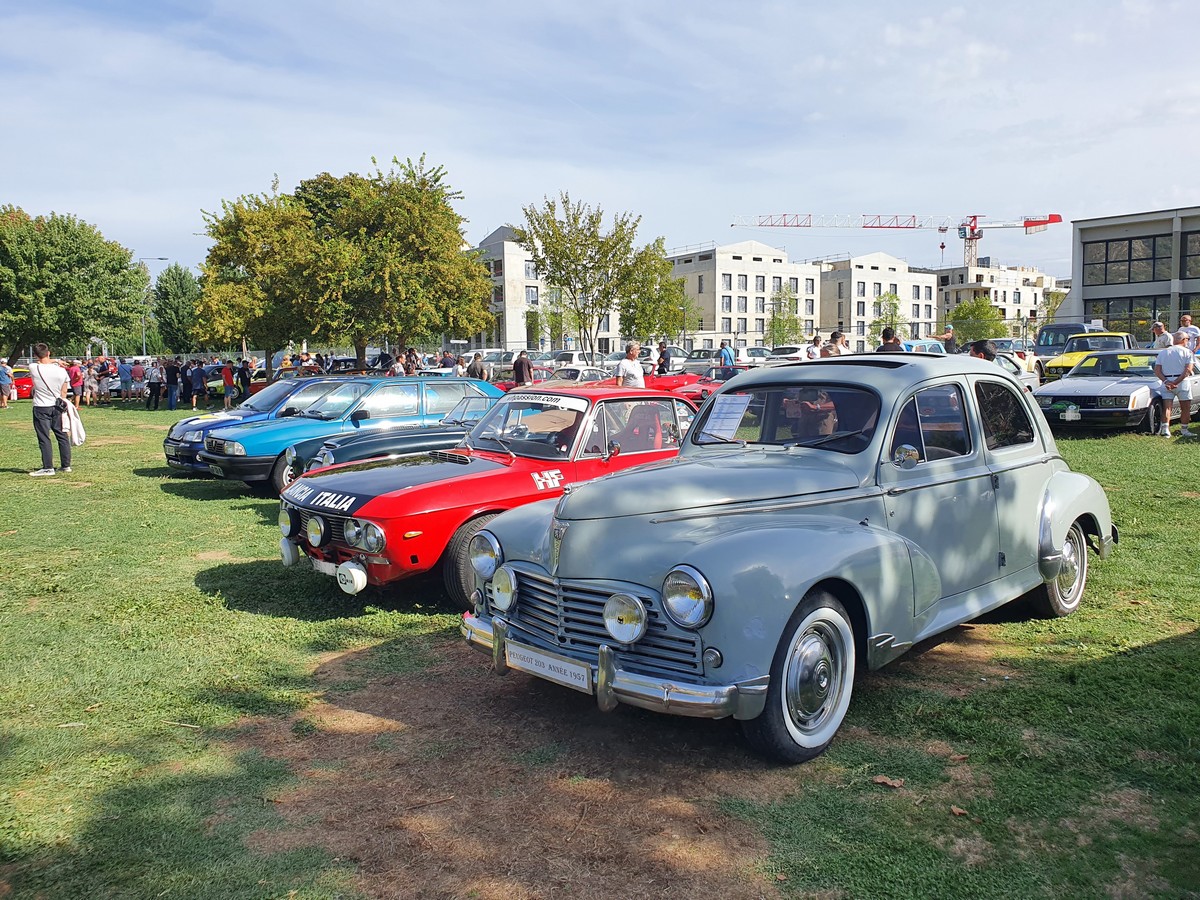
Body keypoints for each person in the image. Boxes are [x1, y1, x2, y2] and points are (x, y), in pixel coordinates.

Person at [28, 342, 71, 476]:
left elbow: (42, 360)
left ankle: (48, 467)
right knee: (62, 435)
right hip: (57, 405)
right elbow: (64, 390)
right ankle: (66, 465)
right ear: (49, 352)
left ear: (35, 355)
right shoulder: (61, 370)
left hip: (41, 406)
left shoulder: (33, 367)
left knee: (44, 437)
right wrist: (57, 361)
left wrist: (55, 360)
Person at [1154, 330, 1195, 437]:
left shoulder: (1163, 352)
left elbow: (1157, 370)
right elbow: (1188, 370)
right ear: (1183, 340)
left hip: (1167, 381)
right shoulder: (1187, 352)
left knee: (1167, 407)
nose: (1188, 341)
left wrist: (1167, 381)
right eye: (1187, 339)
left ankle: (1165, 429)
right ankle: (1184, 429)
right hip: (1182, 382)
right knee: (1185, 407)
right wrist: (1176, 382)